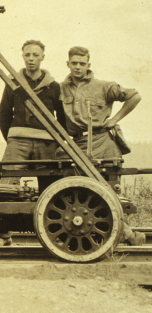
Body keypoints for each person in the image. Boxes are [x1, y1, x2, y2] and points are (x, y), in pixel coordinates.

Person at [57, 46, 144, 246]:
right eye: (74, 63)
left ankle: (124, 235)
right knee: (77, 195)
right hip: (75, 146)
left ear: (89, 65)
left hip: (103, 144)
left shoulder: (104, 86)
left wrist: (115, 119)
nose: (78, 67)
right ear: (68, 64)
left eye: (82, 63)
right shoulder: (60, 88)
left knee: (108, 193)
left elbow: (134, 96)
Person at [0, 40, 66, 245]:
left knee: (51, 186)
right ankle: (4, 234)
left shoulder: (54, 86)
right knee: (6, 186)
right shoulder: (13, 83)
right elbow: (3, 115)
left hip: (46, 144)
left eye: (36, 55)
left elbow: (61, 119)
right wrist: (13, 139)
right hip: (18, 141)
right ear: (23, 56)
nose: (31, 59)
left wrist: (57, 142)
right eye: (28, 55)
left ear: (43, 57)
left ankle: (53, 234)